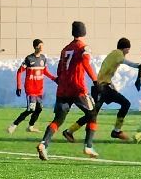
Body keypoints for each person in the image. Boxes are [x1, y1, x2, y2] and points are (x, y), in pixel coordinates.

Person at [37, 21, 99, 160]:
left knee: (58, 119)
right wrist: (95, 80)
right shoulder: (84, 47)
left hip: (63, 88)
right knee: (92, 113)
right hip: (77, 88)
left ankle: (43, 144)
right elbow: (85, 63)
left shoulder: (65, 49)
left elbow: (60, 68)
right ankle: (88, 146)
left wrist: (61, 80)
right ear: (84, 32)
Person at [80, 37, 134, 141]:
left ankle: (70, 130)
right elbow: (127, 63)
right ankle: (116, 131)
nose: (128, 51)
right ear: (125, 48)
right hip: (102, 88)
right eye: (128, 49)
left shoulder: (113, 54)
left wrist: (112, 85)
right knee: (125, 104)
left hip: (103, 87)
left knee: (93, 113)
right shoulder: (119, 53)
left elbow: (105, 73)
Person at [8, 39, 56, 133]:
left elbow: (45, 71)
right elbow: (19, 72)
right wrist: (19, 86)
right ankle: (14, 125)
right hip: (31, 89)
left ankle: (30, 126)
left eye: (43, 45)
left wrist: (54, 78)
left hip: (39, 90)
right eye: (40, 45)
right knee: (31, 109)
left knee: (39, 109)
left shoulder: (43, 58)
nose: (42, 47)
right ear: (35, 47)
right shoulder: (29, 59)